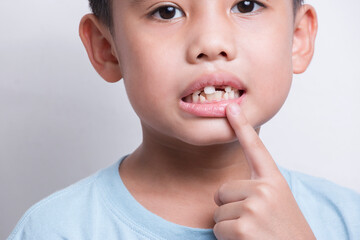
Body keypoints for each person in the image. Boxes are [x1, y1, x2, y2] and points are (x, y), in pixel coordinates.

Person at [7, 0, 360, 239]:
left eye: (246, 4)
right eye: (166, 11)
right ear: (106, 47)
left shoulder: (349, 219)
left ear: (298, 38)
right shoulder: (56, 230)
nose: (211, 42)